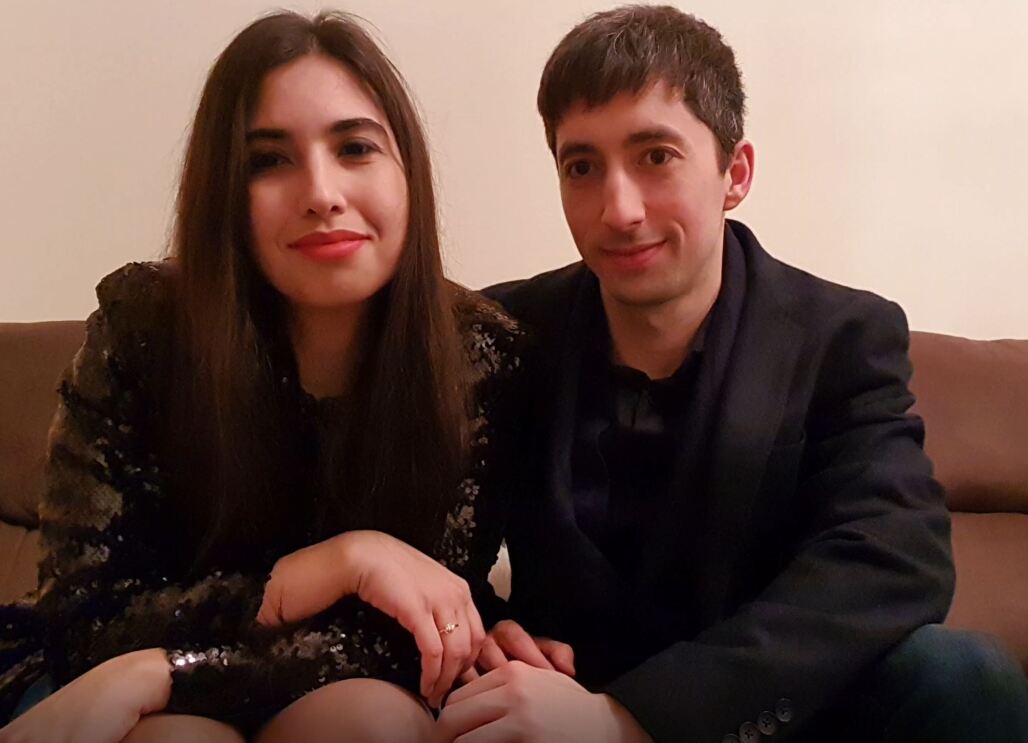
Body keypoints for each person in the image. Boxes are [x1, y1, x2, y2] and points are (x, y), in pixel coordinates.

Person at [438, 5, 1028, 742]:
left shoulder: (842, 335)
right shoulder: (503, 332)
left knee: (960, 674)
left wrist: (629, 720)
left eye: (655, 156)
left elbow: (895, 554)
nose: (618, 209)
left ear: (735, 173)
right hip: (553, 706)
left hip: (753, 713)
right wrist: (489, 634)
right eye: (581, 166)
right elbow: (435, 547)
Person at [0, 11, 539, 742]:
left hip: (326, 691)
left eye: (354, 147)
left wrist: (176, 667)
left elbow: (423, 639)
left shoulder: (478, 356)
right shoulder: (141, 329)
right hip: (116, 694)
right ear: (226, 192)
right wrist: (336, 566)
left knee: (368, 719)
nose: (321, 191)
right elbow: (84, 618)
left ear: (407, 169)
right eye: (269, 160)